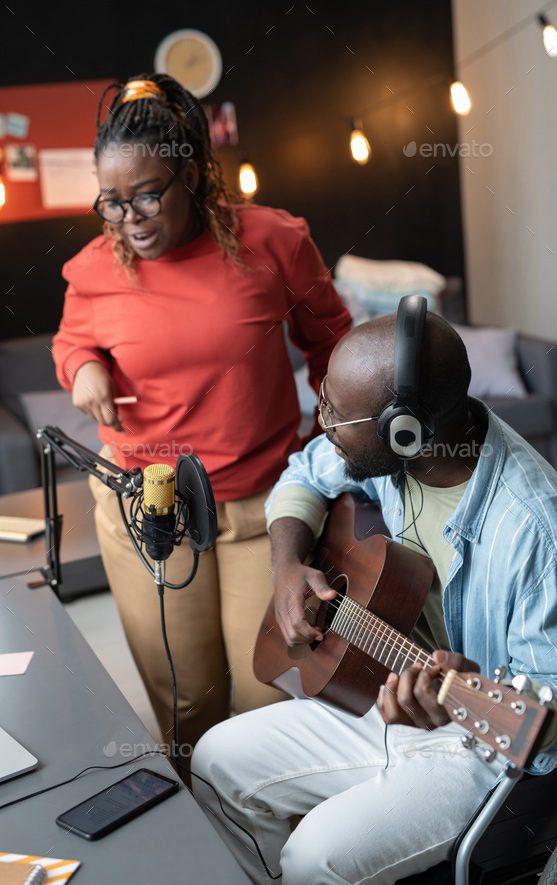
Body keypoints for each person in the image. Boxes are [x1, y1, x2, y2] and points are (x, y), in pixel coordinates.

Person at [192, 297, 557, 884]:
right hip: (383, 684)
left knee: (315, 858)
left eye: (336, 414)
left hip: (476, 741)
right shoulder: (404, 452)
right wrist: (287, 565)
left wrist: (471, 691)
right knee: (213, 763)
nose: (323, 423)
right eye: (325, 400)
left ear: (404, 432)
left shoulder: (541, 532)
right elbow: (304, 472)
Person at [52, 74, 352, 759]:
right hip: (148, 511)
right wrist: (84, 367)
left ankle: (269, 837)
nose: (131, 218)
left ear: (190, 173)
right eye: (113, 203)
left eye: (148, 195)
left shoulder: (274, 241)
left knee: (265, 694)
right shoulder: (94, 268)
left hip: (260, 508)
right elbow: (71, 340)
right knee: (186, 699)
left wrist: (329, 443)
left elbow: (332, 340)